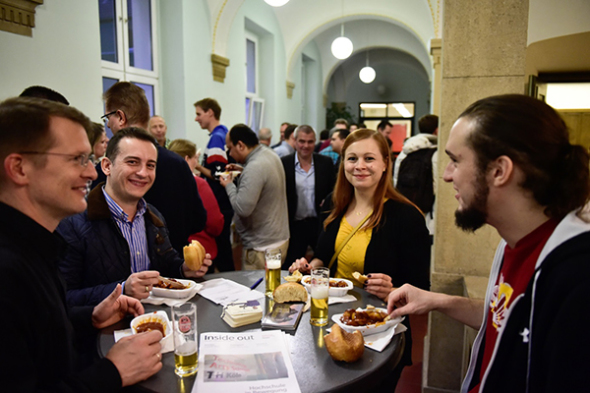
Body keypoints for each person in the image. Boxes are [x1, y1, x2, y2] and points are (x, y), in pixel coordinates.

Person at [387, 94, 590, 393]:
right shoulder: (514, 243)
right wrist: (437, 300)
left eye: (456, 161)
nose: (446, 175)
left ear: (499, 170)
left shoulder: (576, 277)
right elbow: (507, 317)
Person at [0, 97, 163, 391]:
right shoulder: (8, 270)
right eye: (77, 159)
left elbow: (39, 333)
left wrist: (89, 316)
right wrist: (112, 371)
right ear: (20, 168)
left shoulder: (36, 247)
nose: (90, 173)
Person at [290, 129, 430, 388]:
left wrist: (393, 290)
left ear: (386, 163)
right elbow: (323, 256)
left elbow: (422, 289)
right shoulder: (334, 204)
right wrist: (310, 268)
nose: (359, 166)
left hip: (378, 334)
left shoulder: (407, 217)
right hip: (333, 325)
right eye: (352, 159)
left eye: (369, 158)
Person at [58, 128, 211, 307]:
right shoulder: (74, 223)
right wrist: (121, 290)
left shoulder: (152, 215)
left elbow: (166, 263)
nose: (143, 173)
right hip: (107, 331)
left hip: (153, 323)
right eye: (132, 162)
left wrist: (184, 269)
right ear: (107, 166)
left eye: (150, 165)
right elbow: (64, 297)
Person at [93, 82, 206, 255]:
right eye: (133, 162)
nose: (108, 125)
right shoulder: (177, 163)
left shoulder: (108, 171)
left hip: (132, 273)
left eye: (109, 117)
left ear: (121, 117)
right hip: (175, 271)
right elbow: (198, 219)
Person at [220, 124, 290, 270]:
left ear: (240, 145)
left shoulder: (255, 167)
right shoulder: (268, 153)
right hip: (277, 239)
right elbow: (262, 179)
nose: (230, 153)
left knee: (258, 291)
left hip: (262, 247)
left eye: (230, 148)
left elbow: (242, 208)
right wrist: (243, 171)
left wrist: (228, 185)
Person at [281, 125, 335, 268]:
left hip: (319, 223)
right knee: (292, 266)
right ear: (295, 141)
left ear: (315, 142)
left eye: (310, 142)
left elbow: (334, 189)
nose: (306, 146)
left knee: (323, 262)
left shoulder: (325, 163)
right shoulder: (284, 164)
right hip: (295, 224)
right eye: (302, 141)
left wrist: (328, 200)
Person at [194, 97, 235, 271]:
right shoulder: (223, 133)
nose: (196, 119)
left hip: (220, 203)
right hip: (224, 202)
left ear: (210, 112)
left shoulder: (217, 137)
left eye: (199, 114)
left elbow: (217, 174)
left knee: (223, 254)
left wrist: (195, 165)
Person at [169, 138, 224, 263]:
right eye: (196, 158)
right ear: (187, 159)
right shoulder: (198, 184)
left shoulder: (161, 183)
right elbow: (215, 224)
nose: (197, 163)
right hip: (199, 252)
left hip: (170, 253)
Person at [394, 114, 438, 235]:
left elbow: (396, 179)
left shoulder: (405, 152)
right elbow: (436, 186)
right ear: (437, 129)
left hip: (404, 208)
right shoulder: (435, 154)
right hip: (427, 212)